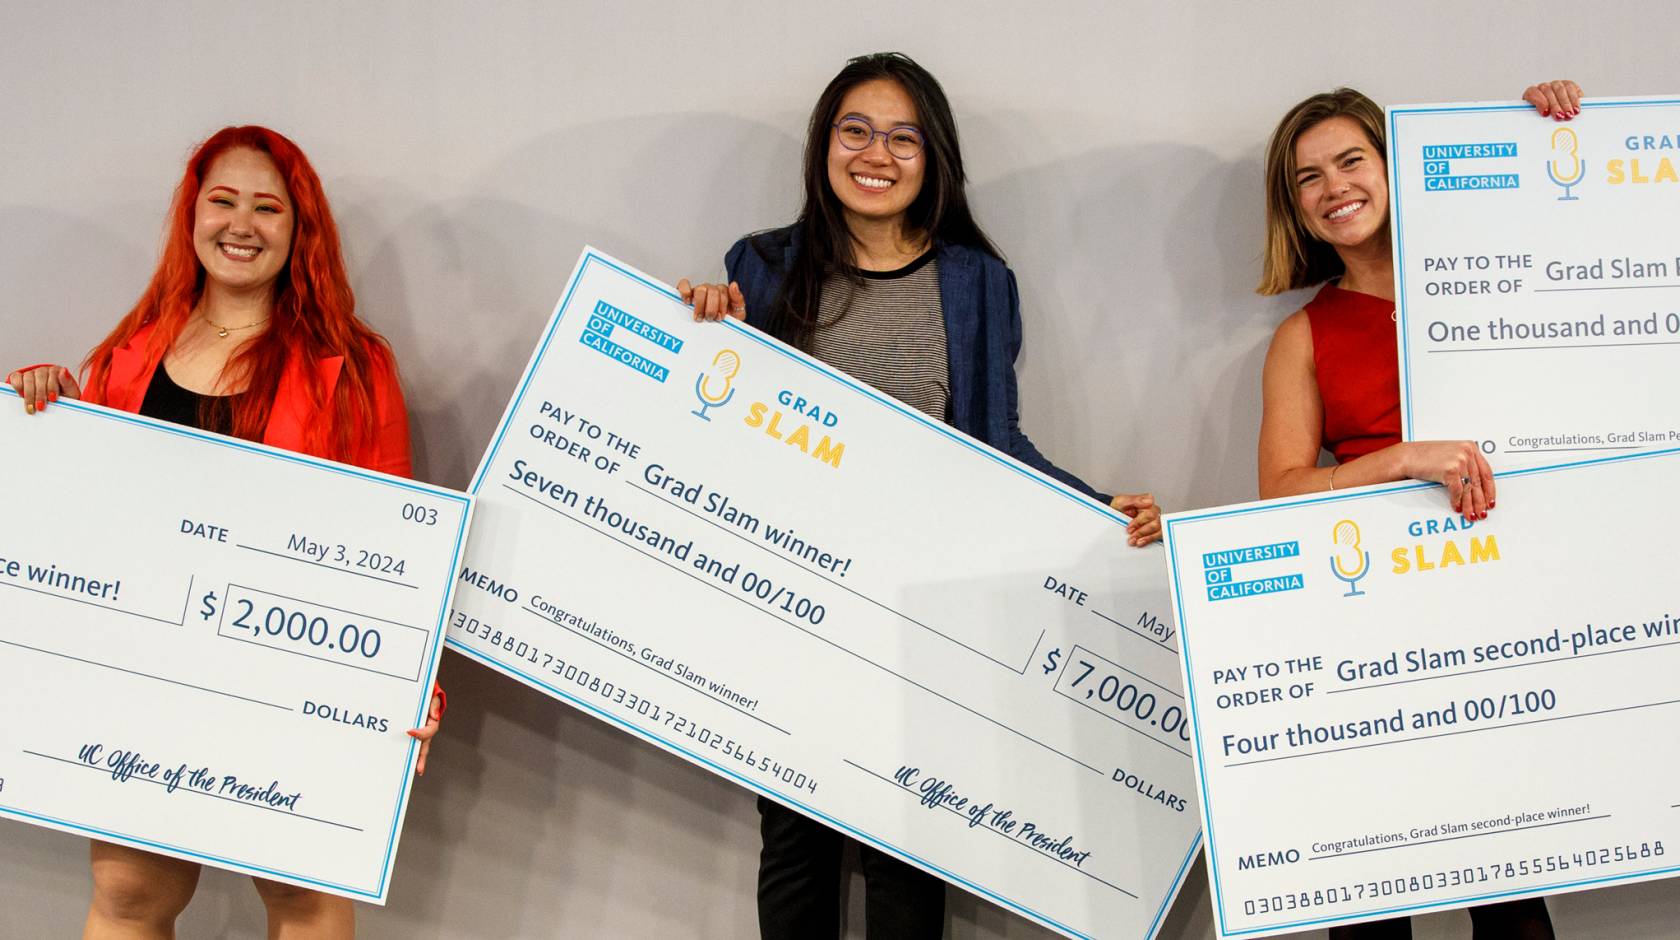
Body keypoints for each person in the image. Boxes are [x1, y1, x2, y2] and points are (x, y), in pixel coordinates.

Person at [678, 52, 1162, 938]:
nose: (877, 154)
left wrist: (1098, 510)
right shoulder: (764, 264)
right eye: (856, 131)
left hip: (919, 614)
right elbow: (728, 423)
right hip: (796, 599)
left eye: (904, 138)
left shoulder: (977, 281)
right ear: (824, 145)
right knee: (795, 845)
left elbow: (996, 444)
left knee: (909, 848)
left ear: (934, 156)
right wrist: (703, 331)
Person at [8, 125, 444, 940]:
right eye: (223, 201)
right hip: (146, 668)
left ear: (299, 227)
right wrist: (47, 410)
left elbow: (394, 544)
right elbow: (85, 522)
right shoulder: (125, 357)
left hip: (293, 672)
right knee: (130, 894)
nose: (242, 224)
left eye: (268, 207)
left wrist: (413, 687)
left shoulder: (352, 364)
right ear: (193, 215)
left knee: (302, 898)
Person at [1255, 81, 1582, 940]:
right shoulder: (1304, 335)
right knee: (1371, 887)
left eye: (1351, 161)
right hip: (1376, 623)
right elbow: (1280, 493)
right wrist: (1399, 461)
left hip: (1510, 608)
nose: (1334, 188)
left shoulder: (1503, 279)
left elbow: (1591, 232)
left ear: (1396, 165)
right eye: (1308, 178)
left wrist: (1547, 123)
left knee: (1512, 888)